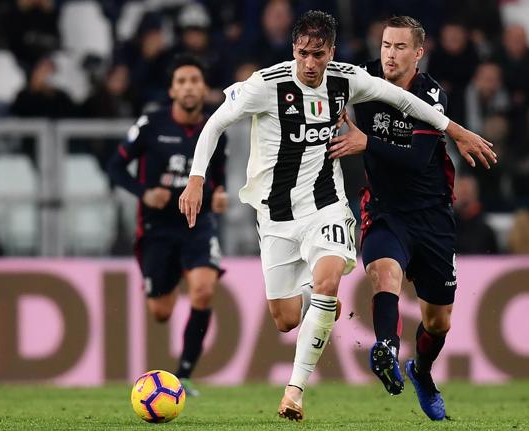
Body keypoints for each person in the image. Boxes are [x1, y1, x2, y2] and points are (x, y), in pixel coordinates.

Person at [179, 10, 495, 421]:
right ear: (294, 50)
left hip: (326, 205)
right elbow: (215, 122)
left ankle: (294, 392)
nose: (311, 64)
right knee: (285, 319)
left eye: (319, 55)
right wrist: (196, 178)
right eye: (303, 54)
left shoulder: (346, 79)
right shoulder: (265, 85)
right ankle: (318, 311)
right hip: (274, 216)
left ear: (331, 52)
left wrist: (455, 130)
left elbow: (402, 99)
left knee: (329, 282)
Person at [327, 16, 495, 420]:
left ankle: (420, 371)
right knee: (385, 274)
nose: (390, 54)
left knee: (438, 322)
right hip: (384, 207)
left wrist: (367, 142)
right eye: (386, 45)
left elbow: (417, 160)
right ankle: (385, 346)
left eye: (400, 47)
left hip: (432, 214)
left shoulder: (431, 93)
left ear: (418, 53)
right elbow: (321, 74)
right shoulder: (364, 77)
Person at [108, 55, 228, 396]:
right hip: (157, 228)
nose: (189, 86)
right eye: (182, 81)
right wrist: (144, 193)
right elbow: (115, 167)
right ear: (172, 90)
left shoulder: (215, 128)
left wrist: (218, 194)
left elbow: (216, 177)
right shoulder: (151, 124)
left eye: (195, 80)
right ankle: (170, 275)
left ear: (204, 89)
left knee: (204, 290)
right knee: (161, 312)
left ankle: (185, 375)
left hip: (196, 223)